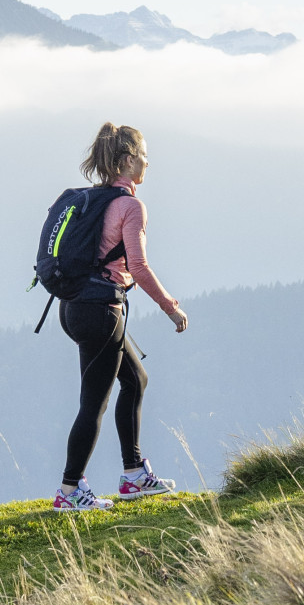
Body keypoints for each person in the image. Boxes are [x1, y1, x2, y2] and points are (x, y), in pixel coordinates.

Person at [55, 123, 188, 511]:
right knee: (93, 403)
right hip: (100, 311)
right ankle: (69, 490)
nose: (148, 162)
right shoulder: (130, 206)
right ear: (128, 160)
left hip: (76, 306)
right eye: (144, 155)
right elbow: (140, 267)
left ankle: (133, 475)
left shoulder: (96, 200)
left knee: (135, 378)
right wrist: (171, 308)